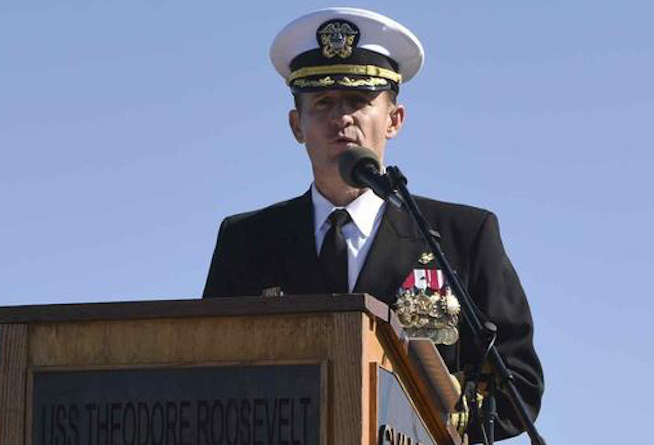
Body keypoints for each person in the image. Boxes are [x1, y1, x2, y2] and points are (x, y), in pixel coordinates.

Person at [203, 7, 543, 442]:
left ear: (394, 119)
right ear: (296, 125)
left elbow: (519, 387)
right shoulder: (246, 241)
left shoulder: (461, 237)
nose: (341, 117)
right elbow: (211, 375)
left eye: (359, 101)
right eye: (322, 102)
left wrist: (427, 423)